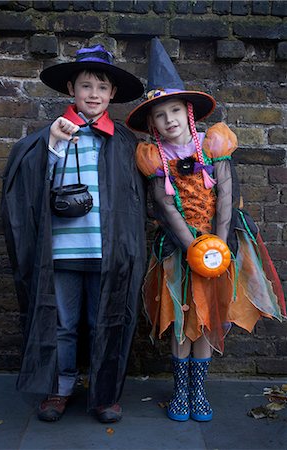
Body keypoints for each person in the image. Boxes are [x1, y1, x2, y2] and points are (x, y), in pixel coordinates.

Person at [126, 37, 286, 423]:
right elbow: (165, 207)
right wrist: (191, 247)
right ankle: (180, 389)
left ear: (189, 112)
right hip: (179, 249)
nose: (170, 120)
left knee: (210, 318)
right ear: (152, 124)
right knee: (184, 319)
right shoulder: (153, 158)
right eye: (160, 115)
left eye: (176, 110)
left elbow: (227, 192)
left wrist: (220, 240)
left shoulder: (213, 145)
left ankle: (199, 390)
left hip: (220, 242)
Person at [1, 44, 147, 424]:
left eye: (102, 87)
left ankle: (103, 395)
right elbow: (27, 185)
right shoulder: (49, 137)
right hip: (62, 252)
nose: (94, 94)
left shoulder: (124, 143)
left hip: (107, 252)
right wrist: (52, 143)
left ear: (112, 94)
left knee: (107, 322)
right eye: (86, 86)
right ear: (71, 89)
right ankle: (60, 389)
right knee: (61, 324)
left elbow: (141, 199)